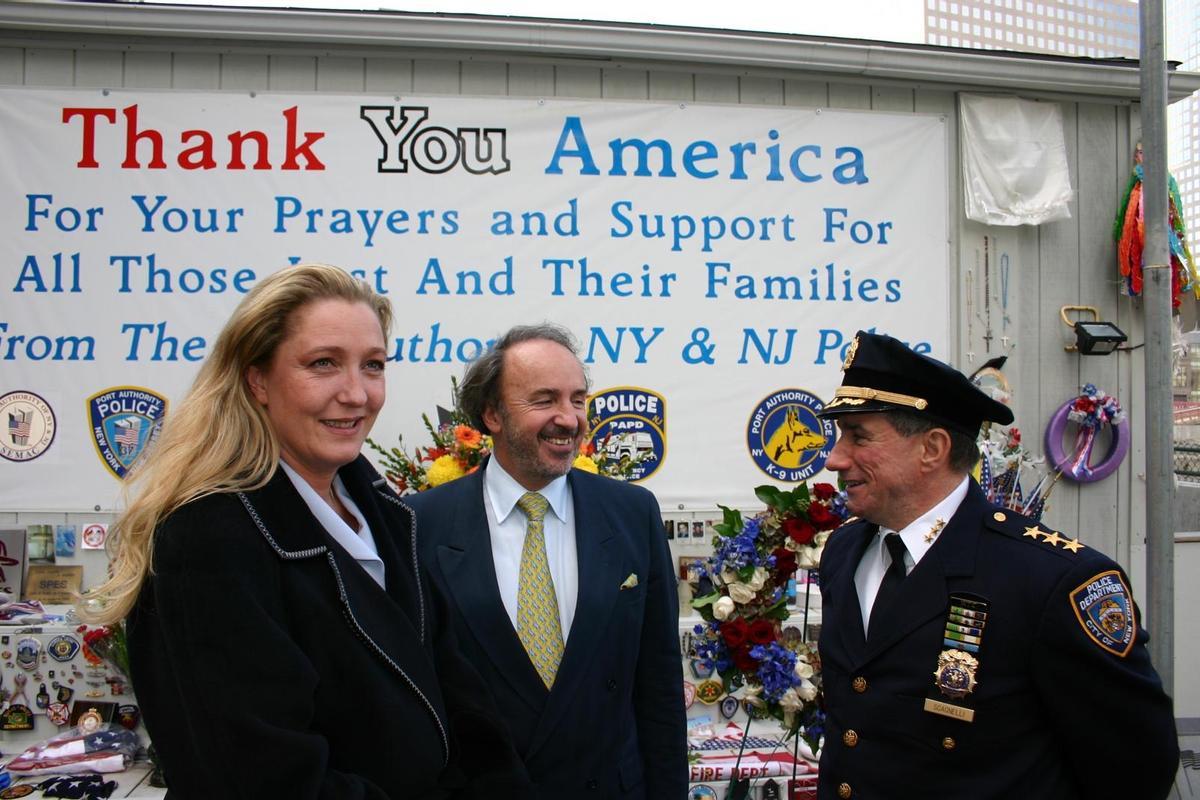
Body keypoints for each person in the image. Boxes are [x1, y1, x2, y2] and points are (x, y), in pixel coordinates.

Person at [80, 264, 525, 799]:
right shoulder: (209, 538)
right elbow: (262, 778)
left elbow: (461, 697)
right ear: (257, 378)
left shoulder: (387, 515)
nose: (357, 394)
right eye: (323, 364)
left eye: (374, 365)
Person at [814, 330, 1178, 800]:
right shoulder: (845, 552)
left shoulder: (1053, 581)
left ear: (932, 448)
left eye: (858, 436)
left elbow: (1136, 768)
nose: (833, 458)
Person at [405, 324, 687, 800]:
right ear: (492, 413)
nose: (569, 418)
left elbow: (657, 684)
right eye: (544, 400)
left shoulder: (632, 513)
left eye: (577, 399)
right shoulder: (420, 523)